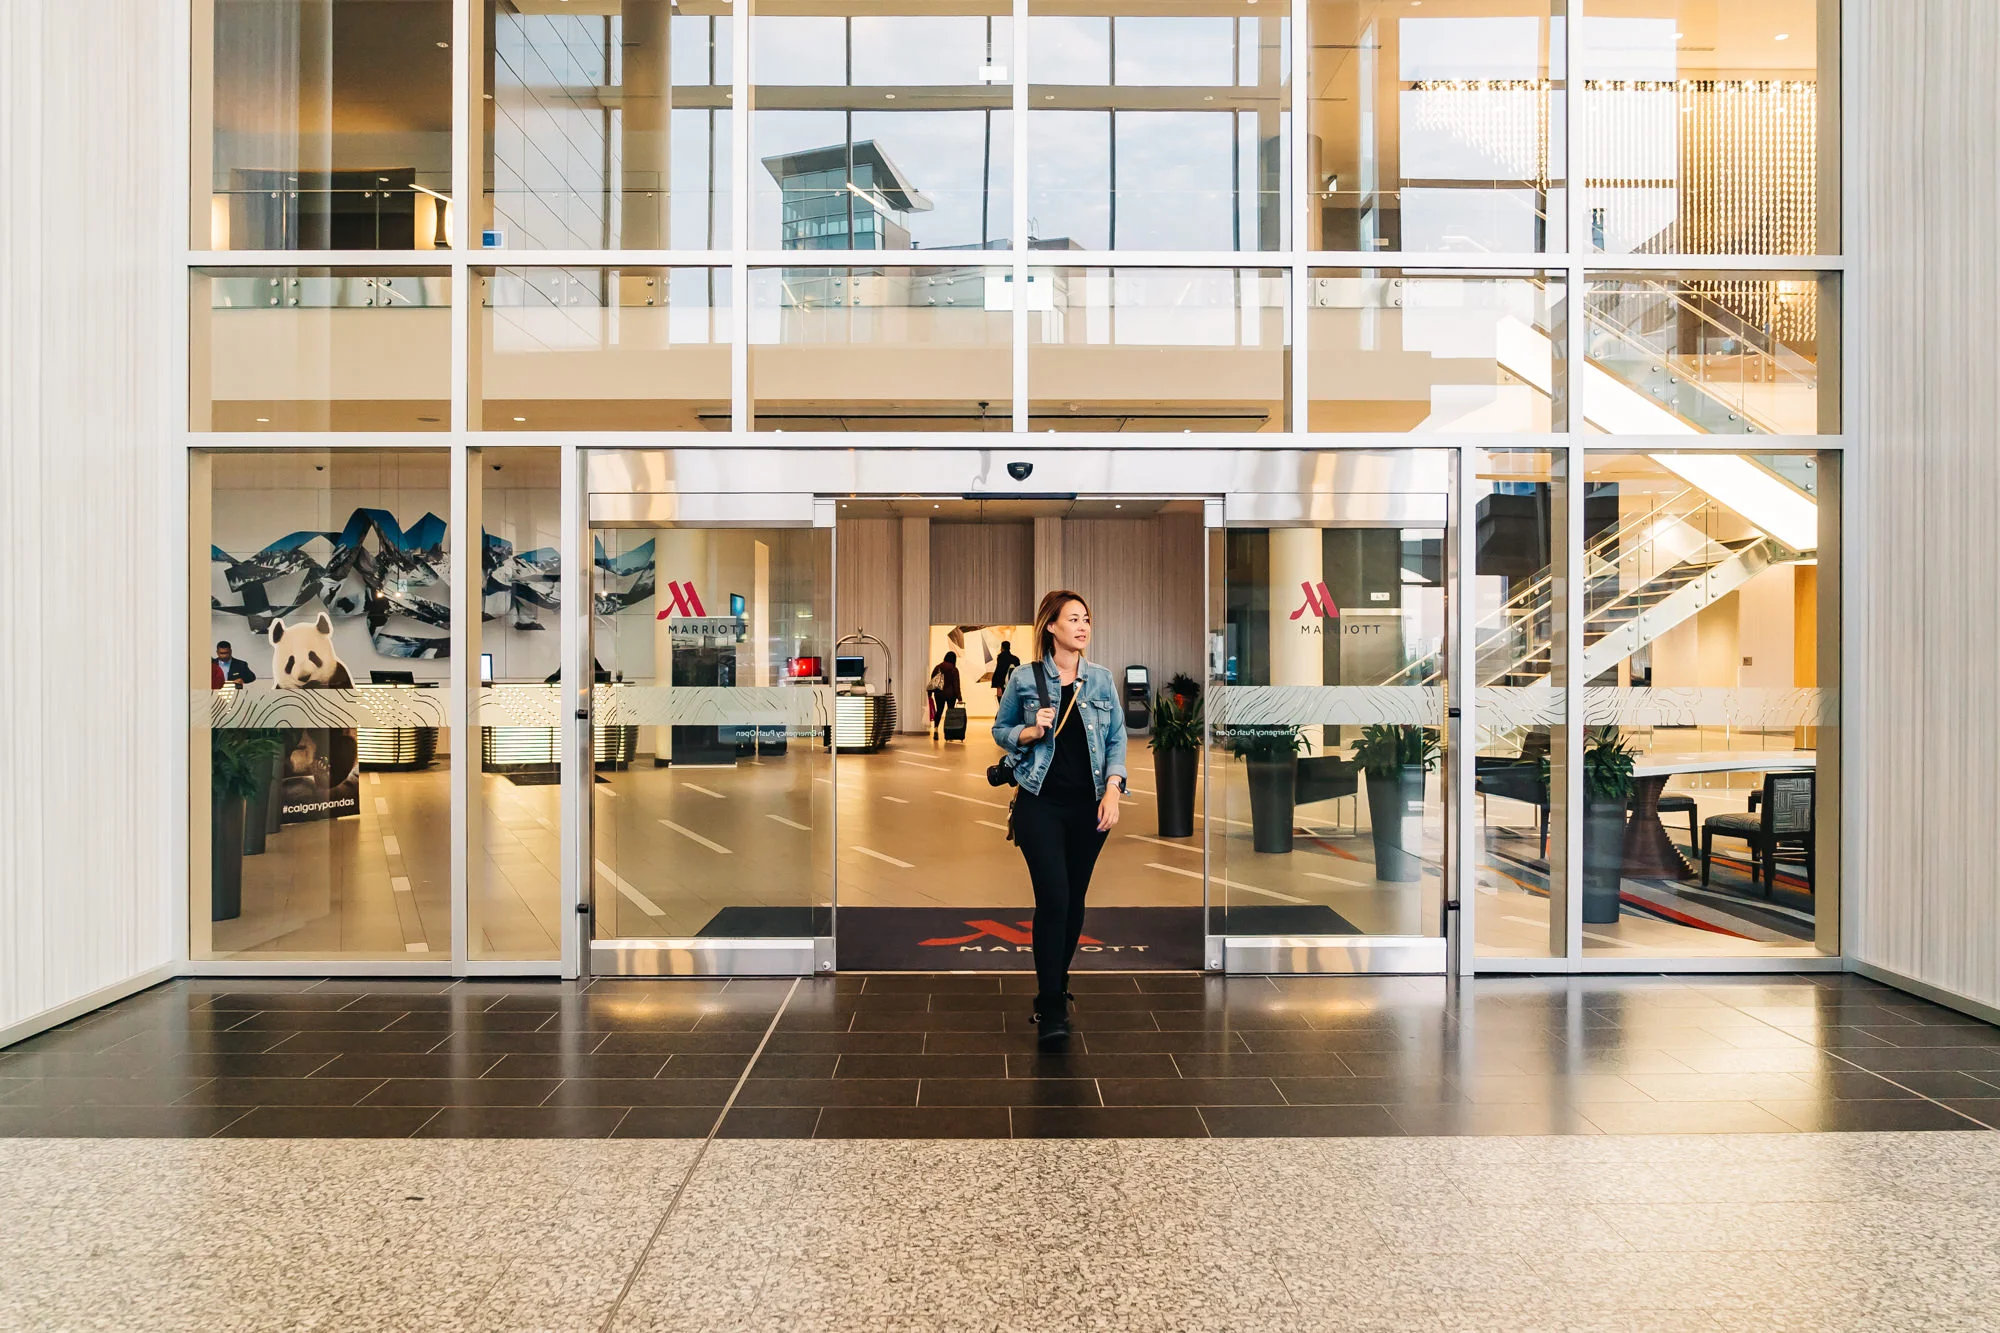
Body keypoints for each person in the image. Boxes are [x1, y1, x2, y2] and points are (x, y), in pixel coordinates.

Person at [992, 590, 1127, 1050]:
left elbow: (1117, 740)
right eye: (1073, 619)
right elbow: (1000, 730)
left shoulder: (1101, 680)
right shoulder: (1025, 678)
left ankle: (1057, 980)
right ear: (1051, 625)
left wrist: (1114, 789)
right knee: (1053, 899)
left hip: (1089, 806)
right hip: (1040, 804)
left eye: (1086, 618)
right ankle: (1051, 1003)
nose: (1083, 626)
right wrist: (1029, 731)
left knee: (1073, 901)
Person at [927, 650, 962, 739]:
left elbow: (933, 681)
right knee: (950, 713)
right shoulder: (954, 669)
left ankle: (936, 729)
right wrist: (959, 698)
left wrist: (930, 693)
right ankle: (949, 733)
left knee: (939, 711)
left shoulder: (938, 667)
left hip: (939, 694)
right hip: (951, 695)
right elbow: (956, 684)